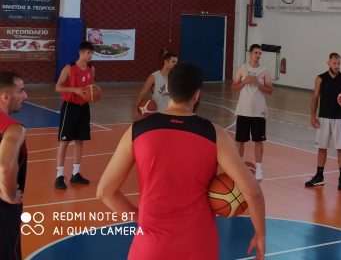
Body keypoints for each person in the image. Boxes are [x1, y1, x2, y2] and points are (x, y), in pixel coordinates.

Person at [97, 62, 266, 260]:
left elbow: (104, 192)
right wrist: (260, 234)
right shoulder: (215, 134)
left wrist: (138, 217)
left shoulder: (137, 130)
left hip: (150, 247)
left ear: (168, 88)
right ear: (197, 95)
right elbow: (252, 192)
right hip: (198, 246)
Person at [305, 52, 341, 191]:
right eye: (334, 63)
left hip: (339, 119)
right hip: (323, 118)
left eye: (339, 63)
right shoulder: (320, 78)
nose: (337, 66)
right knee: (322, 148)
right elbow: (315, 98)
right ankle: (319, 176)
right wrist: (313, 116)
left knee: (340, 149)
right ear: (328, 63)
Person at [54, 41, 95, 189]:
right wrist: (74, 89)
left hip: (84, 108)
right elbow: (58, 87)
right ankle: (59, 176)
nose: (90, 55)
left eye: (92, 53)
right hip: (70, 107)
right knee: (64, 142)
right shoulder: (69, 68)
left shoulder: (91, 69)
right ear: (81, 53)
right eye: (88, 53)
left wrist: (93, 95)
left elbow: (91, 88)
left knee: (80, 140)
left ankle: (75, 174)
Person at [230, 44, 273, 181]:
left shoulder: (265, 71)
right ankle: (237, 167)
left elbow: (270, 91)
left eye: (260, 53)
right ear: (250, 53)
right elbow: (233, 88)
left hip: (259, 112)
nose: (258, 55)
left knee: (258, 141)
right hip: (243, 110)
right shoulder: (242, 69)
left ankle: (259, 168)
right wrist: (244, 82)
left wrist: (257, 83)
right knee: (239, 141)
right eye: (256, 53)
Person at [0, 72, 28, 260]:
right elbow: (5, 165)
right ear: (6, 97)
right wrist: (9, 195)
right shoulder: (13, 128)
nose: (25, 96)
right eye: (21, 90)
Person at [132, 51, 178, 120]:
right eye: (173, 61)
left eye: (176, 62)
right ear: (166, 62)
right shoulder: (154, 77)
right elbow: (142, 93)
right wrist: (135, 109)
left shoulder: (175, 77)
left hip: (171, 113)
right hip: (157, 114)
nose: (175, 64)